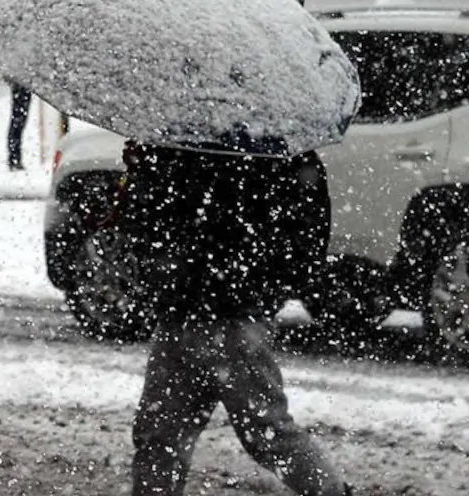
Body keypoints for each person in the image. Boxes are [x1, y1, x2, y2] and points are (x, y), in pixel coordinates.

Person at [118, 137, 351, 496]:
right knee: (163, 435)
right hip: (192, 311)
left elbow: (300, 233)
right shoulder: (269, 146)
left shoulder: (225, 145)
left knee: (260, 432)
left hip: (224, 314)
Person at [6, 81, 31, 171]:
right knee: (17, 123)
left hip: (21, 86)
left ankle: (14, 157)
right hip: (21, 86)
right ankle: (14, 158)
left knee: (18, 123)